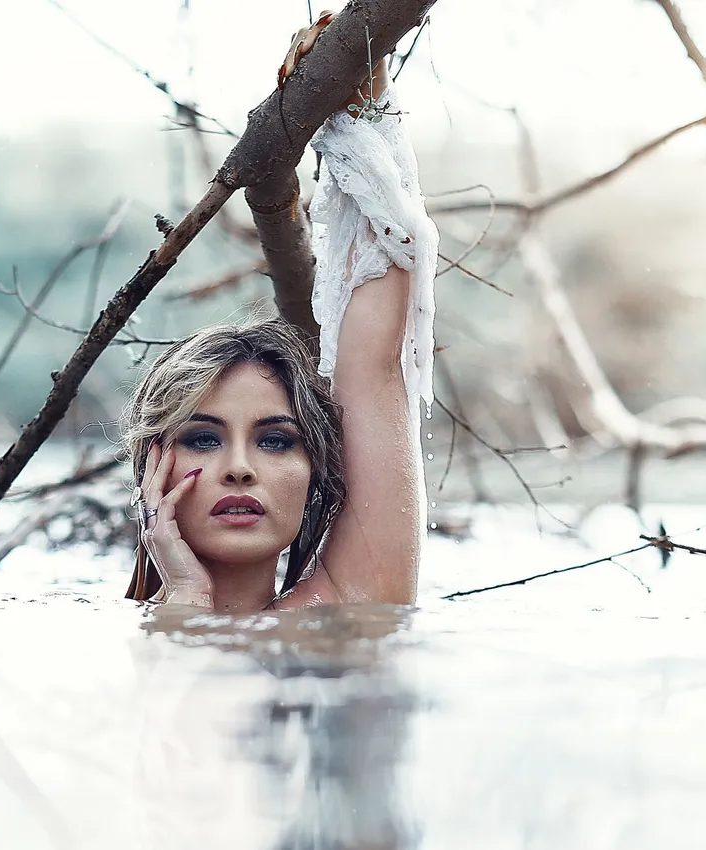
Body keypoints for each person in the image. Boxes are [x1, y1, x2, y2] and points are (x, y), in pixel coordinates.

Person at [122, 10, 438, 612]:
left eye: (274, 442)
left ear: (317, 474)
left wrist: (360, 102)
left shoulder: (345, 610)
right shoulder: (97, 640)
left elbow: (373, 369)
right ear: (151, 475)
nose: (239, 469)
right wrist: (184, 595)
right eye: (202, 439)